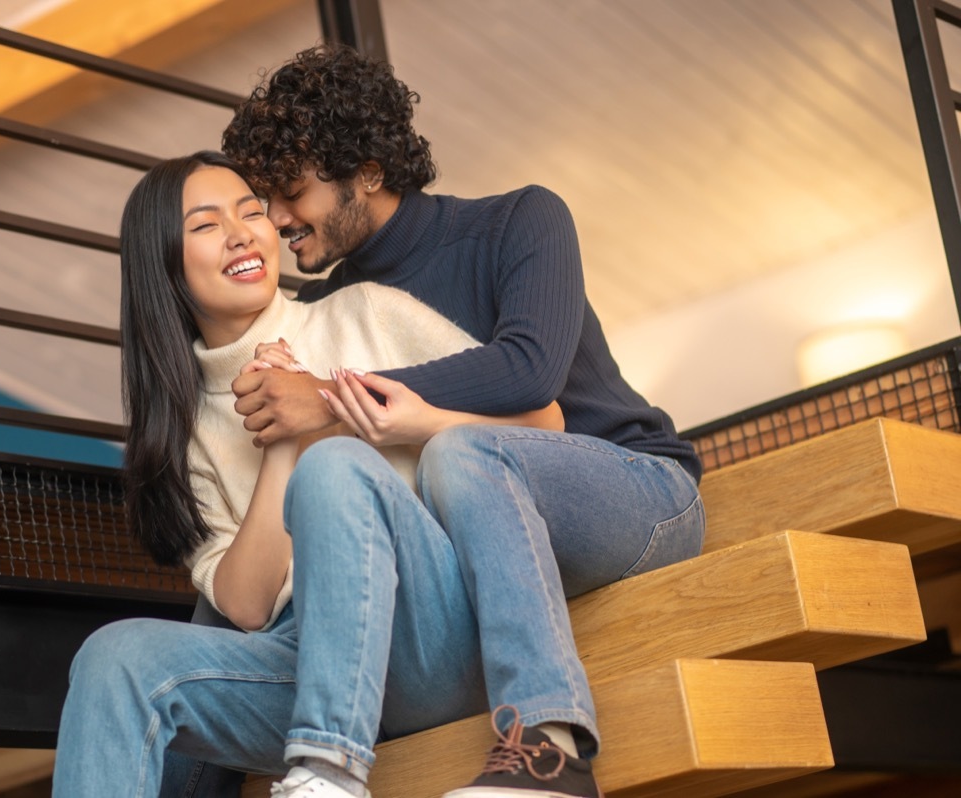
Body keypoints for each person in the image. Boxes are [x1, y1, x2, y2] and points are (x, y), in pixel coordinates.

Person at [221, 43, 706, 797]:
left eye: (290, 191)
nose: (276, 218)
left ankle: (550, 751)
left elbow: (530, 368)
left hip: (636, 493)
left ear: (370, 172)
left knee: (462, 452)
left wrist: (329, 397)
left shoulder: (523, 220)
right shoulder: (327, 311)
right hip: (481, 547)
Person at [52, 151, 569, 798]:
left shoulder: (365, 313)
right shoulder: (182, 430)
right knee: (113, 659)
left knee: (337, 464)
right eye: (207, 225)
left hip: (425, 634)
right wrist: (279, 443)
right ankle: (323, 752)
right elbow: (243, 604)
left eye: (250, 212)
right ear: (165, 264)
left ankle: (329, 772)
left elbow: (544, 422)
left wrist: (344, 415)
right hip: (300, 658)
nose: (244, 231)